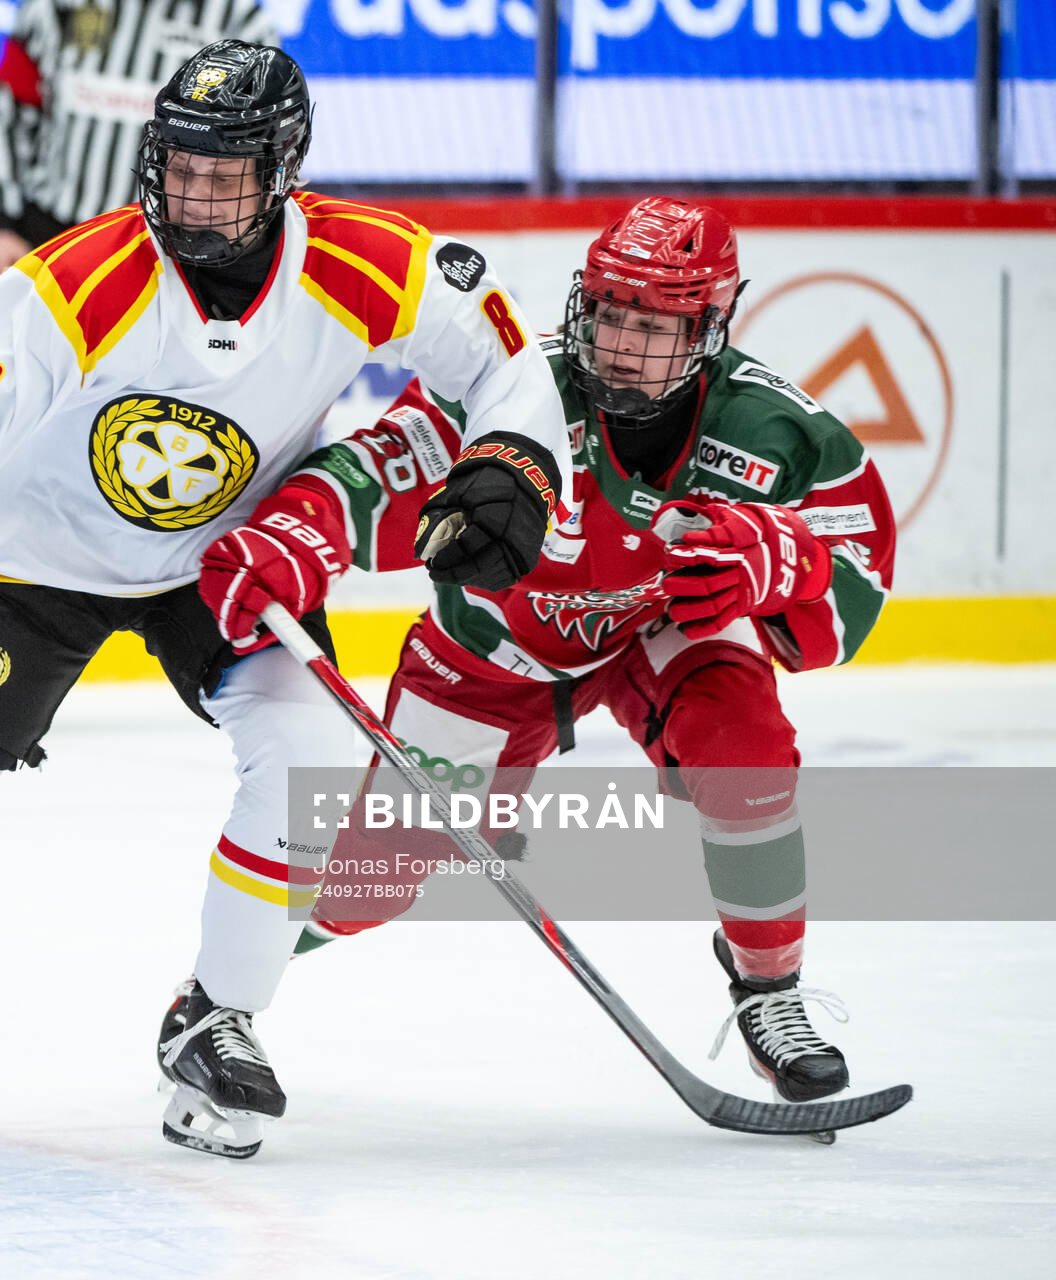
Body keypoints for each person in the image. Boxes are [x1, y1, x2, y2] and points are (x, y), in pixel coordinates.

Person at [0, 40, 569, 1159]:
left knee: (307, 758)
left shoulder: (366, 262)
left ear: (286, 167)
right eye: (178, 165)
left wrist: (513, 455)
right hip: (33, 563)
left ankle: (216, 1016)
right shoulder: (85, 277)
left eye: (225, 172)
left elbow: (503, 352)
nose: (194, 193)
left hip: (220, 562)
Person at [201, 196, 896, 1106]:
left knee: (746, 753)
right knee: (372, 883)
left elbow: (856, 577)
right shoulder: (513, 386)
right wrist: (298, 531)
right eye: (609, 312)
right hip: (493, 657)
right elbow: (380, 468)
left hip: (662, 630)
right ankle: (218, 997)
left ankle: (770, 989)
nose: (619, 342)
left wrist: (784, 564)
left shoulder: (777, 431)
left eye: (652, 325)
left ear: (711, 327)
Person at [0, 0, 276, 280]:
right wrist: (2, 223)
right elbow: (6, 111)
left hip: (173, 253)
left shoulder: (241, 23)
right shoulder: (57, 5)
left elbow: (263, 151)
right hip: (51, 234)